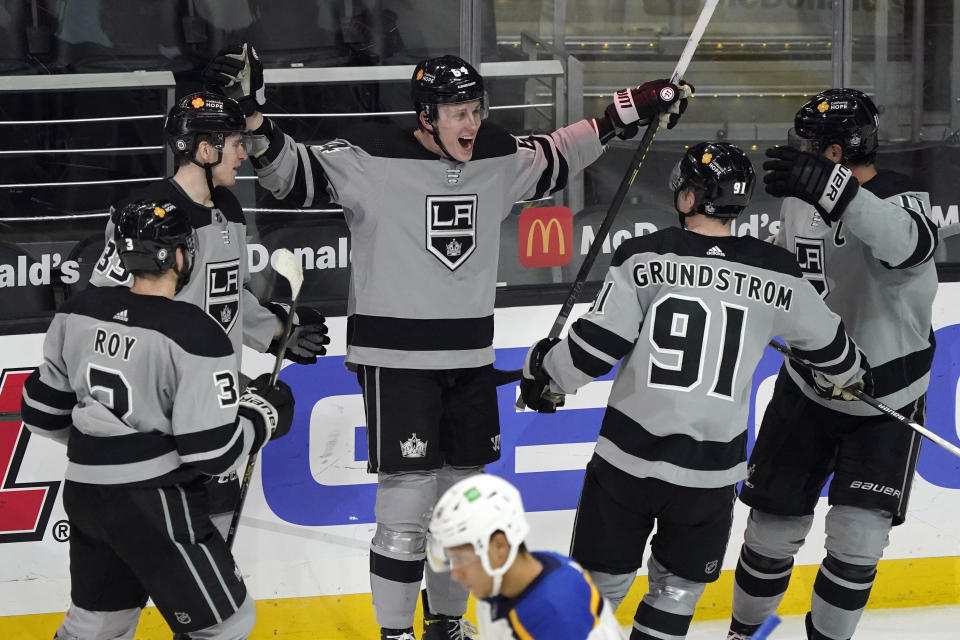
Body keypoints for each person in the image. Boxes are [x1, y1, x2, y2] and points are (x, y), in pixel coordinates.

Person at [203, 43, 692, 640]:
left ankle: (444, 624)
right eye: (457, 111)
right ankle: (395, 632)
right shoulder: (371, 159)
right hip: (396, 362)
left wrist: (633, 107)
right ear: (425, 116)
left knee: (461, 511)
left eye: (477, 108)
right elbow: (291, 174)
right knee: (405, 510)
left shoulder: (498, 157)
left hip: (469, 362)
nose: (472, 122)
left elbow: (562, 152)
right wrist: (254, 124)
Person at [519, 142, 872, 640]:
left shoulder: (645, 254)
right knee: (678, 592)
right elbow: (838, 354)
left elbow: (591, 350)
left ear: (688, 197)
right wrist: (854, 376)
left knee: (598, 588)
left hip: (628, 461)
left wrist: (545, 373)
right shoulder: (778, 272)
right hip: (709, 475)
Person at [20, 199, 295, 639]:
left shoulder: (80, 311)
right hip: (154, 502)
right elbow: (210, 452)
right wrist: (263, 416)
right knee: (227, 623)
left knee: (97, 624)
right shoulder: (195, 331)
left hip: (86, 493)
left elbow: (41, 412)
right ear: (181, 255)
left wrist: (104, 450)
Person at [725, 89, 939, 640]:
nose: (800, 153)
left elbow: (910, 243)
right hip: (807, 386)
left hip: (884, 403)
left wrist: (837, 192)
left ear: (838, 152)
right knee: (768, 536)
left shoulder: (903, 197)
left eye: (811, 145)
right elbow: (786, 270)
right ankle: (741, 634)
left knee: (855, 547)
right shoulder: (800, 197)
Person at [89, 90, 329, 538]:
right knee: (160, 550)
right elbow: (104, 308)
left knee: (212, 542)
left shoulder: (230, 210)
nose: (245, 153)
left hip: (216, 405)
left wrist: (280, 332)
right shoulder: (143, 217)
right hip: (158, 414)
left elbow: (228, 296)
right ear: (204, 149)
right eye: (236, 143)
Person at [427, 473, 625, 639]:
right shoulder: (499, 586)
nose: (456, 574)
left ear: (500, 546)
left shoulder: (557, 612)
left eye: (461, 559)